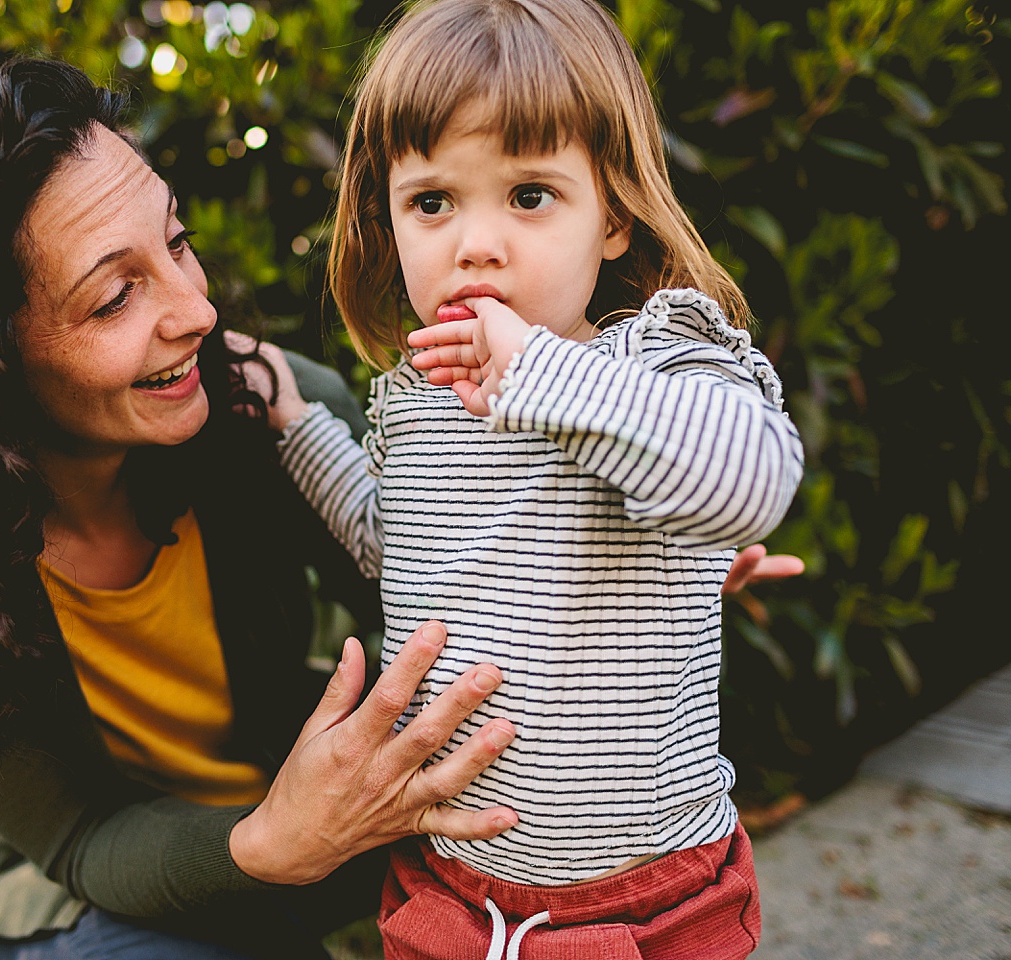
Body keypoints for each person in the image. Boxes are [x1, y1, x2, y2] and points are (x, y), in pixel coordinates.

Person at [0, 55, 798, 960]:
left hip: (356, 814)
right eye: (116, 295)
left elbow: (430, 565)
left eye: (176, 242)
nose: (197, 311)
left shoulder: (259, 410)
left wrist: (631, 551)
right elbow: (78, 835)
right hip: (125, 875)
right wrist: (272, 841)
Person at [263, 1, 805, 958]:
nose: (477, 244)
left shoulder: (658, 357)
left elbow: (750, 482)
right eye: (433, 202)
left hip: (655, 901)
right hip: (450, 892)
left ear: (614, 218)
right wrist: (298, 425)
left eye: (529, 197)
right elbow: (402, 550)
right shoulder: (418, 399)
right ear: (388, 220)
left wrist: (535, 373)